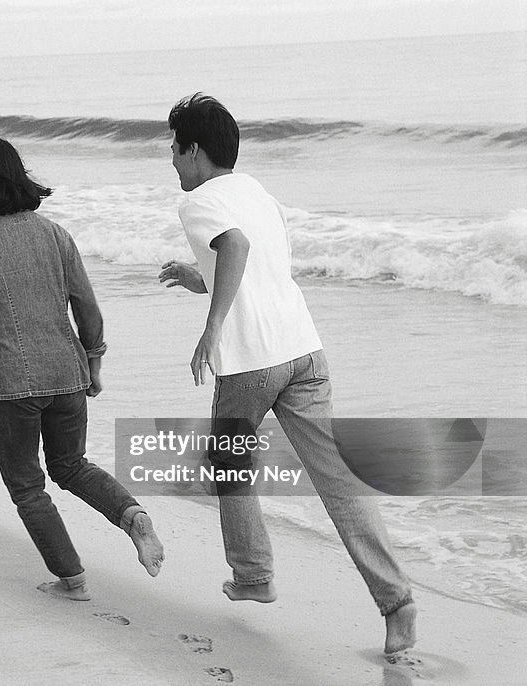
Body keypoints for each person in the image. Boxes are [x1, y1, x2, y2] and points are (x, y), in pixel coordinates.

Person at [159, 93, 417, 654]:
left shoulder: (198, 202)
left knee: (229, 461)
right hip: (304, 351)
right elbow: (254, 265)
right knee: (338, 480)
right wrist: (195, 275)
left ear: (195, 150)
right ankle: (397, 605)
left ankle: (253, 575)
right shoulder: (257, 191)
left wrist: (211, 327)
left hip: (250, 363)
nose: (173, 162)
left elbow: (236, 248)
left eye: (174, 150)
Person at [0, 136, 164, 601]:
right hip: (67, 374)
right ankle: (131, 514)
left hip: (10, 385)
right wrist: (94, 362)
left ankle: (72, 578)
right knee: (72, 466)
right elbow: (87, 306)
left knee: (26, 485)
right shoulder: (56, 234)